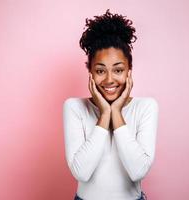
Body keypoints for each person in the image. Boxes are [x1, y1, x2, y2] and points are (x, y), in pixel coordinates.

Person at [63, 9, 159, 200]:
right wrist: (105, 114)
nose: (109, 80)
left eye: (118, 70)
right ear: (89, 71)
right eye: (100, 71)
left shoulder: (146, 107)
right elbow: (81, 172)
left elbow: (137, 171)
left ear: (129, 71)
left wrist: (116, 111)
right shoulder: (74, 107)